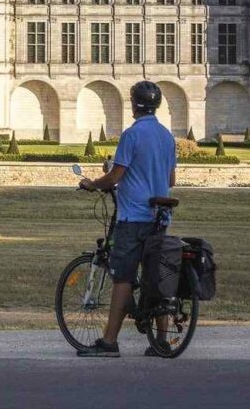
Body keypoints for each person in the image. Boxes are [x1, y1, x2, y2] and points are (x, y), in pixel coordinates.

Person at [76, 80, 178, 358]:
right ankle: (161, 342)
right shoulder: (167, 136)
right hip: (160, 217)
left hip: (133, 215)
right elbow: (170, 179)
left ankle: (109, 342)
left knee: (123, 277)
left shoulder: (131, 135)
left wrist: (93, 184)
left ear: (134, 104)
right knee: (155, 277)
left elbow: (115, 176)